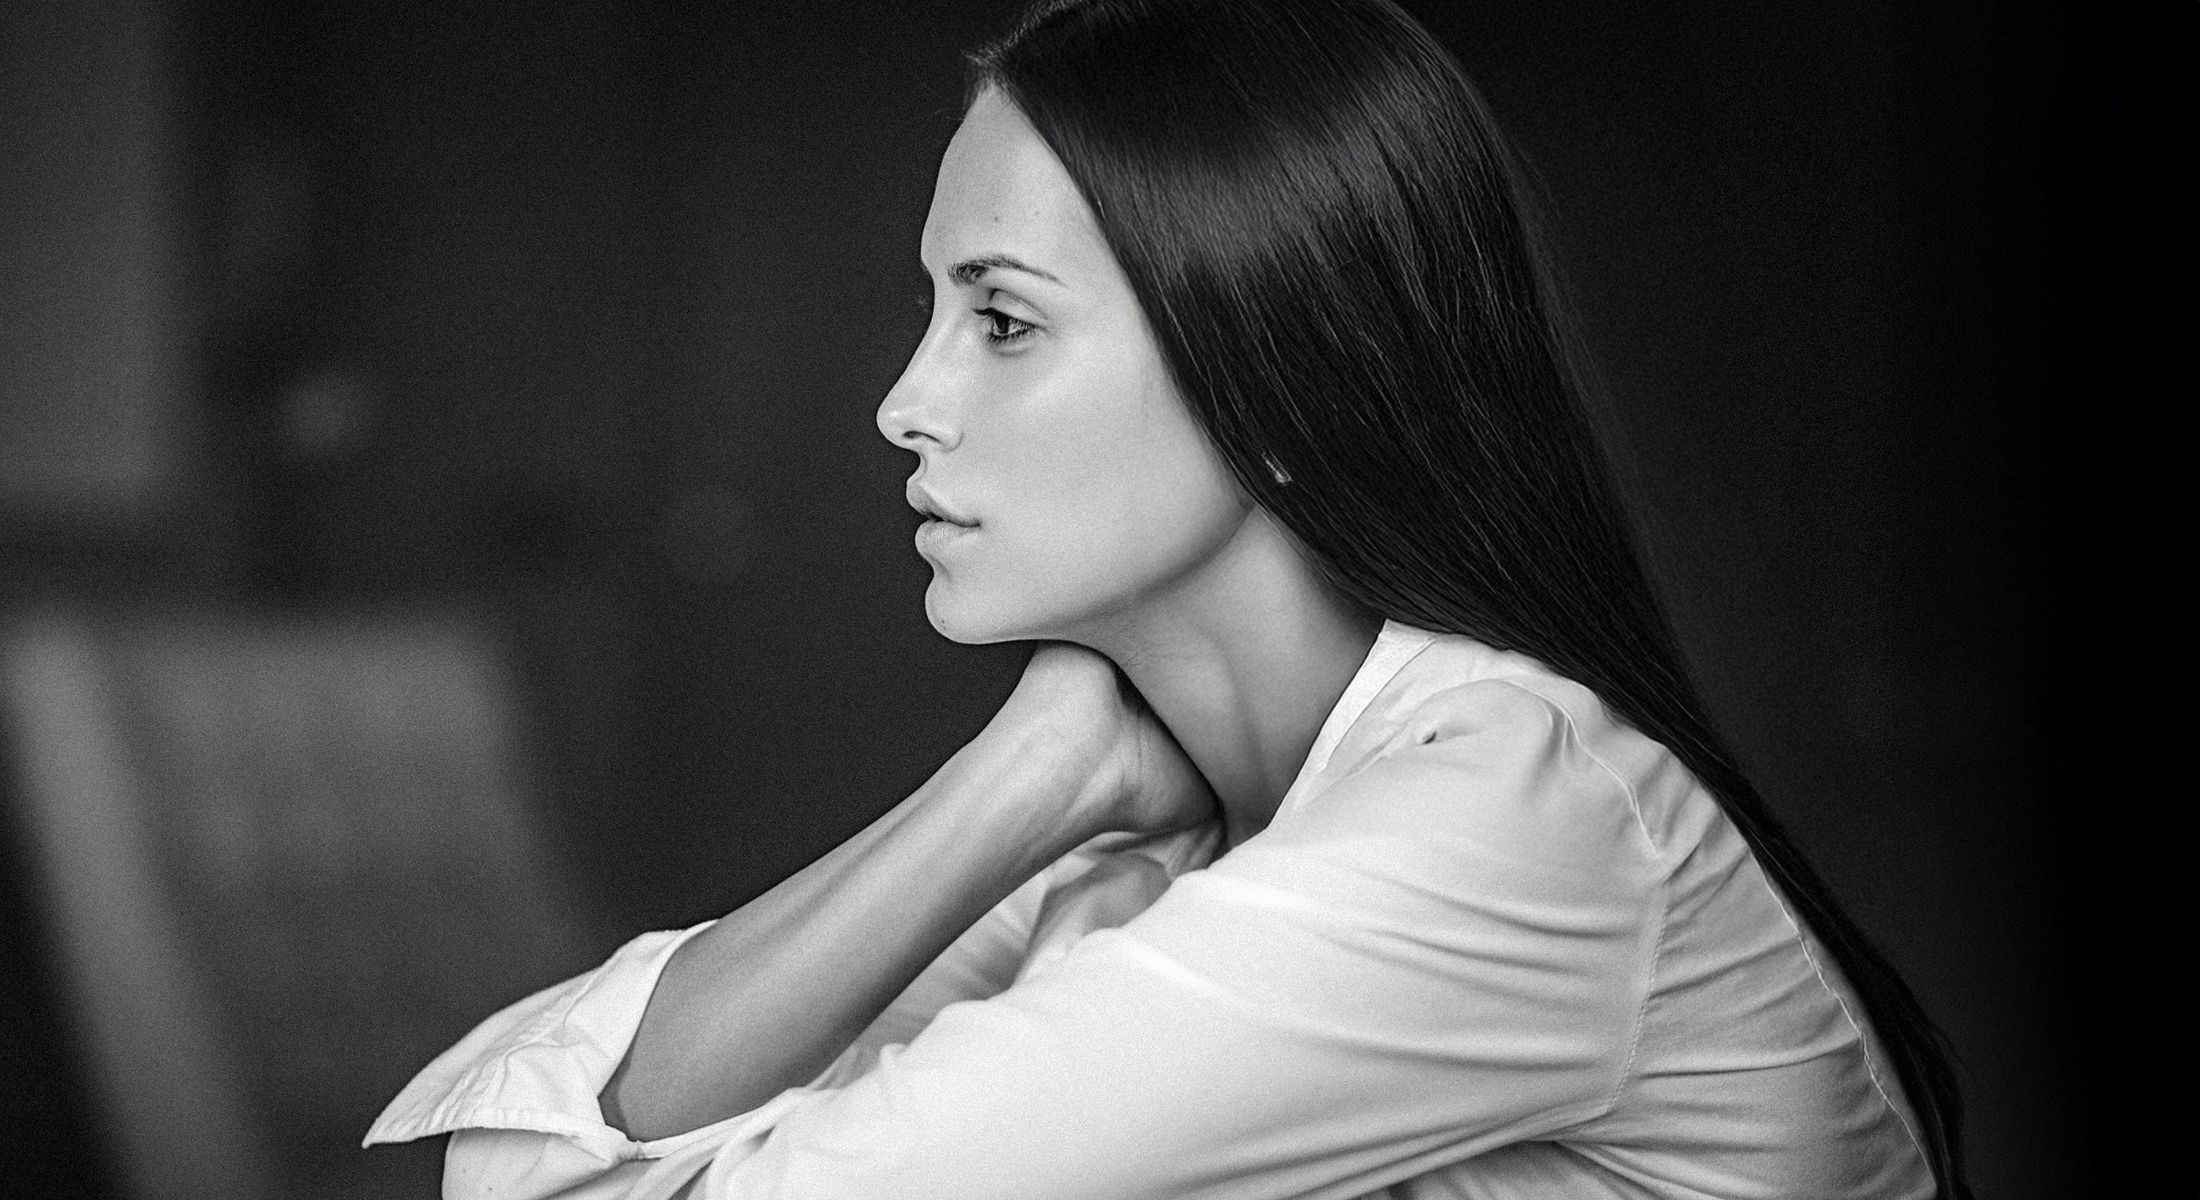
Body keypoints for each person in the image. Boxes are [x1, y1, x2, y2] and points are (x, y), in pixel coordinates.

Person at [366, 0, 1971, 1195]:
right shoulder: (1165, 809)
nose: (902, 404)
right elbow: (517, 1170)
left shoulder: (1511, 818)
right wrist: (1028, 774)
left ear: (1275, 383)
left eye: (1002, 322)